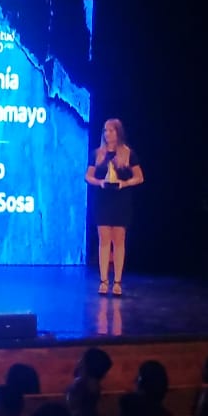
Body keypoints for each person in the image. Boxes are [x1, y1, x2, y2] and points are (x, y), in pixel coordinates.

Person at [85, 118, 143, 296]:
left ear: (118, 132)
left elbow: (139, 177)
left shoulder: (128, 153)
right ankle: (103, 281)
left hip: (121, 201)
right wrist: (99, 182)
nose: (107, 134)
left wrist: (124, 183)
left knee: (118, 241)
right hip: (103, 200)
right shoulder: (97, 154)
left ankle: (117, 282)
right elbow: (88, 176)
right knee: (104, 240)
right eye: (105, 130)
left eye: (111, 130)